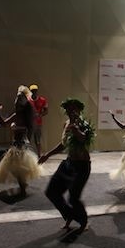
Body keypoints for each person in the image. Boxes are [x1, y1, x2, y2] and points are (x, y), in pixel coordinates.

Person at [39, 98, 95, 233]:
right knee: (52, 191)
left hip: (81, 167)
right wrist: (47, 155)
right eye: (69, 109)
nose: (71, 111)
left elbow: (83, 138)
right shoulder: (66, 124)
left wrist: (76, 129)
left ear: (79, 111)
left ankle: (83, 221)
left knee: (73, 198)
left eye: (74, 109)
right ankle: (69, 215)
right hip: (68, 163)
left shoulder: (84, 124)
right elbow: (63, 144)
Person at [0, 86, 42, 197]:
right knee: (14, 169)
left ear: (23, 102)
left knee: (18, 168)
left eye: (20, 98)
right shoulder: (16, 115)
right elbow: (4, 123)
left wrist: (17, 128)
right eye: (17, 98)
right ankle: (23, 185)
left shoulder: (26, 116)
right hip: (15, 144)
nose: (17, 100)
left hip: (21, 145)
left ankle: (23, 188)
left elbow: (28, 130)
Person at [29, 84, 49, 155]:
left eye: (35, 90)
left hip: (38, 123)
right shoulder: (28, 100)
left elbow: (46, 111)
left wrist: (40, 115)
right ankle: (29, 155)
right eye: (32, 91)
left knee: (37, 140)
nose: (34, 92)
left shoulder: (42, 100)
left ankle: (39, 155)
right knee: (28, 139)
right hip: (29, 123)